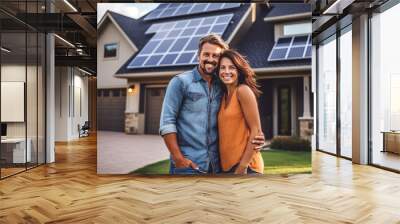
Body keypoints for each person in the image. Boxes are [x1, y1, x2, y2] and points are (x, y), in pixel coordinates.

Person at [159, 34, 265, 175]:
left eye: (215, 56)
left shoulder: (222, 87)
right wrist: (178, 159)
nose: (210, 59)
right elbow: (167, 123)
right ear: (198, 56)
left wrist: (257, 137)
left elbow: (249, 127)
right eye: (206, 54)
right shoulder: (180, 82)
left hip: (216, 167)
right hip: (188, 165)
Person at [217, 49, 264, 174]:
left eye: (231, 67)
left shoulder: (243, 91)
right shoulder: (223, 97)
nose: (226, 72)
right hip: (227, 168)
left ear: (238, 70)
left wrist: (242, 167)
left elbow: (256, 131)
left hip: (246, 168)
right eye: (222, 68)